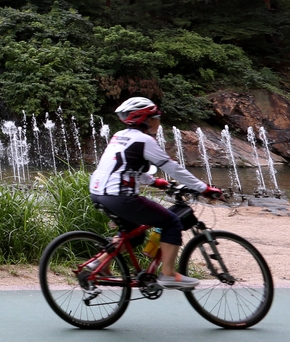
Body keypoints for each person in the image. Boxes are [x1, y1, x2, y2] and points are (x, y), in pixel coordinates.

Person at [89, 96, 223, 290]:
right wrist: (203, 188)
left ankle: (99, 263)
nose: (159, 121)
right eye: (156, 117)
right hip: (120, 196)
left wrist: (156, 182)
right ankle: (168, 273)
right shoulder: (145, 140)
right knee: (171, 222)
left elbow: (125, 167)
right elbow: (173, 168)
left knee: (133, 233)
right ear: (145, 119)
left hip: (99, 192)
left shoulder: (119, 136)